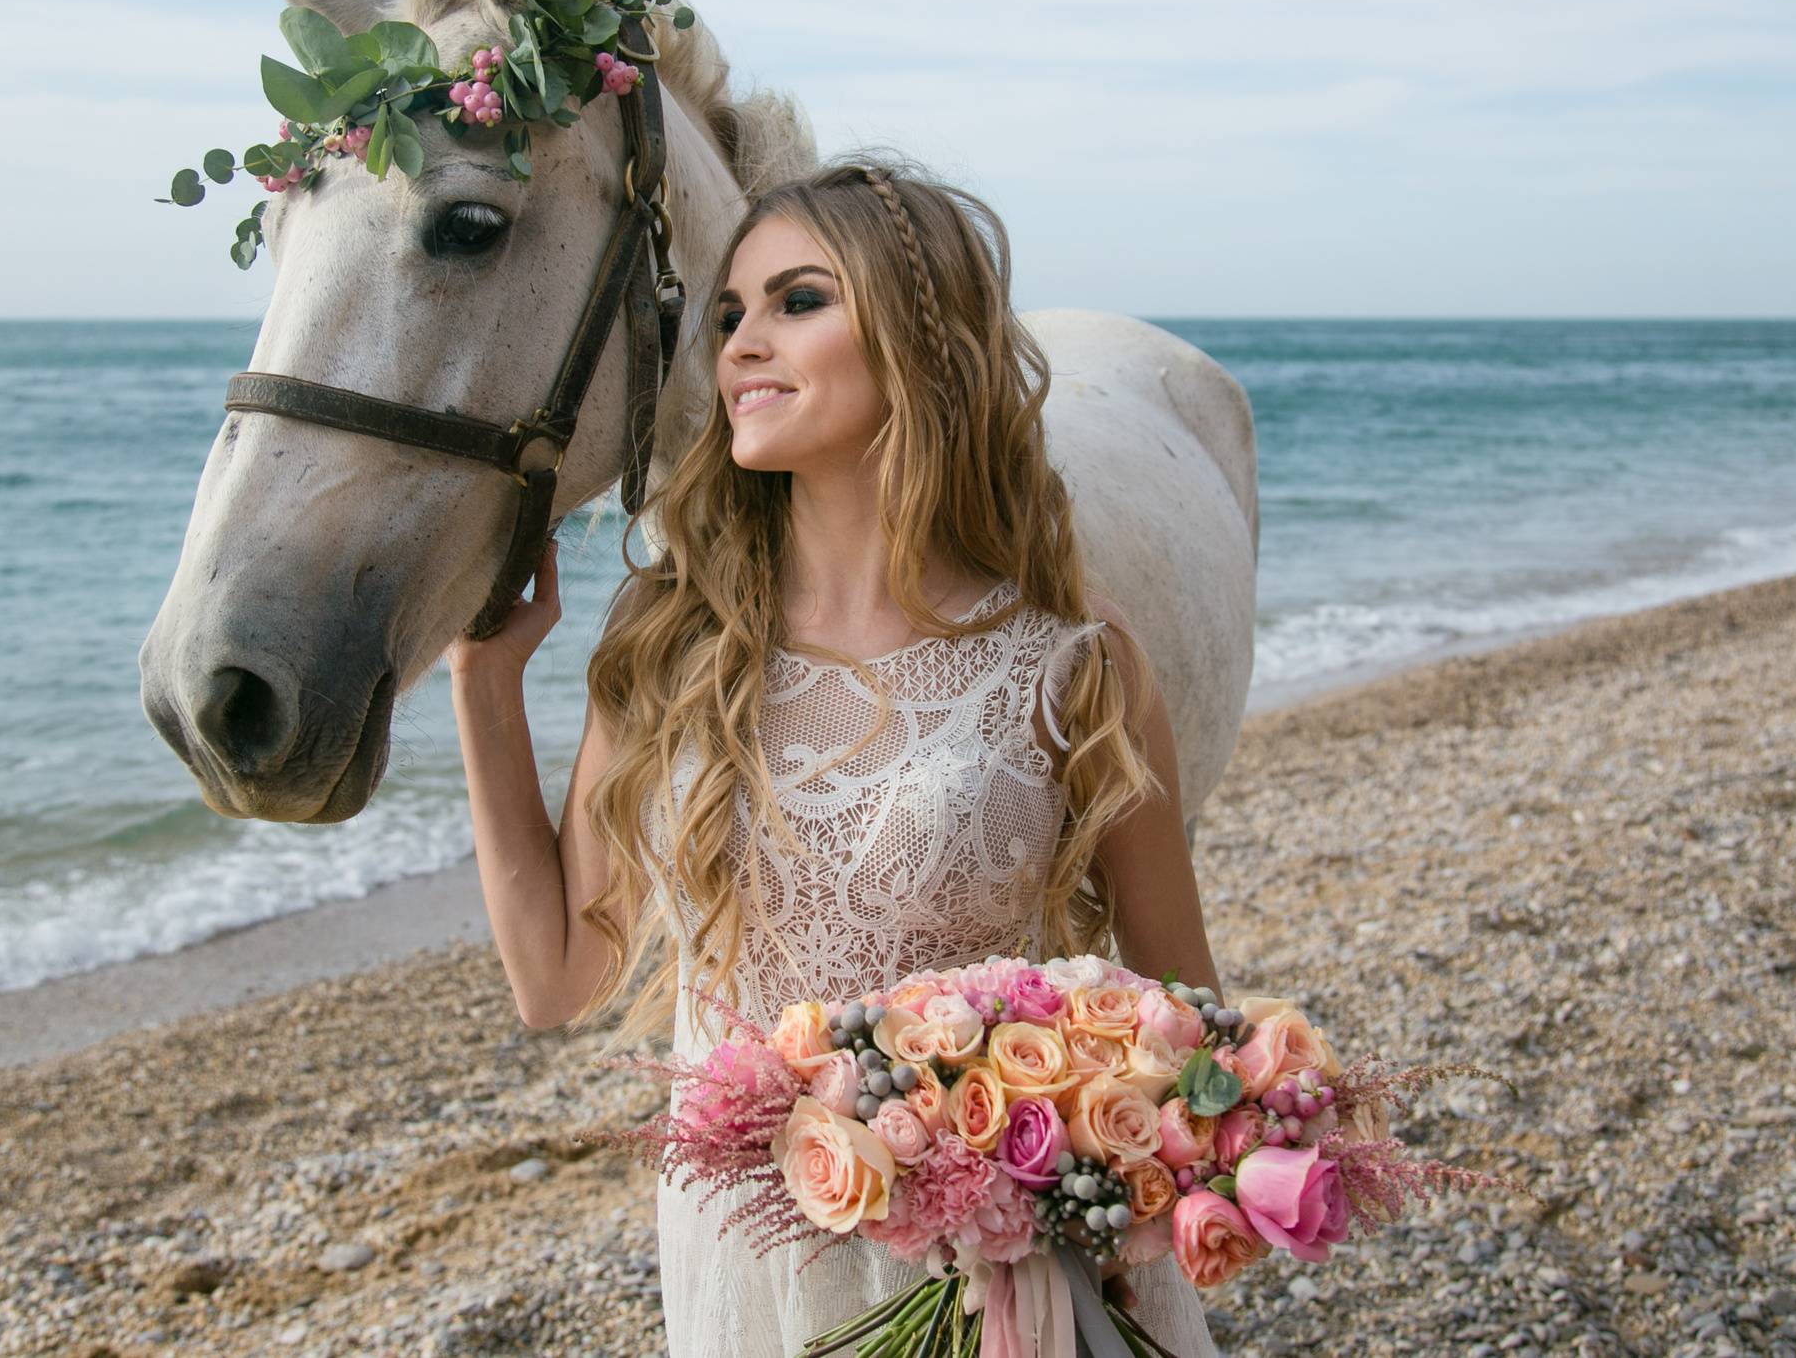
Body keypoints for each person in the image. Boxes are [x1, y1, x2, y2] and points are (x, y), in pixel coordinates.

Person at [444, 161, 1221, 1356]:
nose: (744, 342)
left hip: (1003, 1272)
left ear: (920, 337)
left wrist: (1071, 1176)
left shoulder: (1070, 655)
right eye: (729, 314)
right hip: (752, 1250)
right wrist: (484, 687)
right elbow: (555, 977)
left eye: (797, 301)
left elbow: (1182, 1015)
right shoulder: (671, 638)